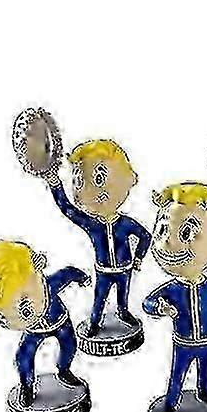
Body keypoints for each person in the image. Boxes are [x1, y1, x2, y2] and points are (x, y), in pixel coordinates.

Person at [143, 183, 207, 412]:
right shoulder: (172, 289)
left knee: (206, 370)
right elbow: (148, 302)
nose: (167, 244)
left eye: (186, 233)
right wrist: (160, 308)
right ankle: (170, 403)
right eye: (162, 230)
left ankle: (204, 392)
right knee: (177, 374)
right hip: (183, 342)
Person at [0, 240, 90, 406]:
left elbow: (67, 274)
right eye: (3, 312)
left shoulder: (47, 287)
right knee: (23, 357)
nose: (13, 314)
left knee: (69, 346)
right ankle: (27, 386)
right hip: (33, 331)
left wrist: (82, 277)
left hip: (60, 323)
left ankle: (64, 369)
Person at [45, 139, 151, 336]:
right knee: (99, 297)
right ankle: (94, 321)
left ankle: (123, 312)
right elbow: (67, 209)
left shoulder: (126, 223)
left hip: (125, 268)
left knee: (123, 294)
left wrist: (138, 258)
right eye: (78, 182)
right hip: (103, 270)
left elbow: (145, 236)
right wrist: (55, 185)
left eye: (100, 178)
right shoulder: (91, 224)